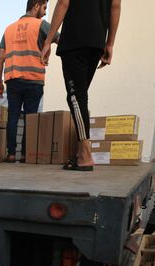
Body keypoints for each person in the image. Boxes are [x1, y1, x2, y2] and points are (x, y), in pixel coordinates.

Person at [41, 0, 122, 171]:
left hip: (75, 40)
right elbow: (115, 7)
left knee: (75, 97)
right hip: (96, 43)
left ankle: (85, 155)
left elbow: (63, 3)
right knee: (80, 96)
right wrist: (110, 43)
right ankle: (80, 154)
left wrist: (48, 41)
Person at [0, 0, 59, 163]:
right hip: (33, 80)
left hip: (13, 80)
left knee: (13, 116)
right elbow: (60, 39)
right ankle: (24, 154)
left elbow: (0, 57)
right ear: (36, 5)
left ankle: (11, 154)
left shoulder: (8, 29)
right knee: (31, 117)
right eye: (44, 8)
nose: (45, 12)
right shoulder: (41, 25)